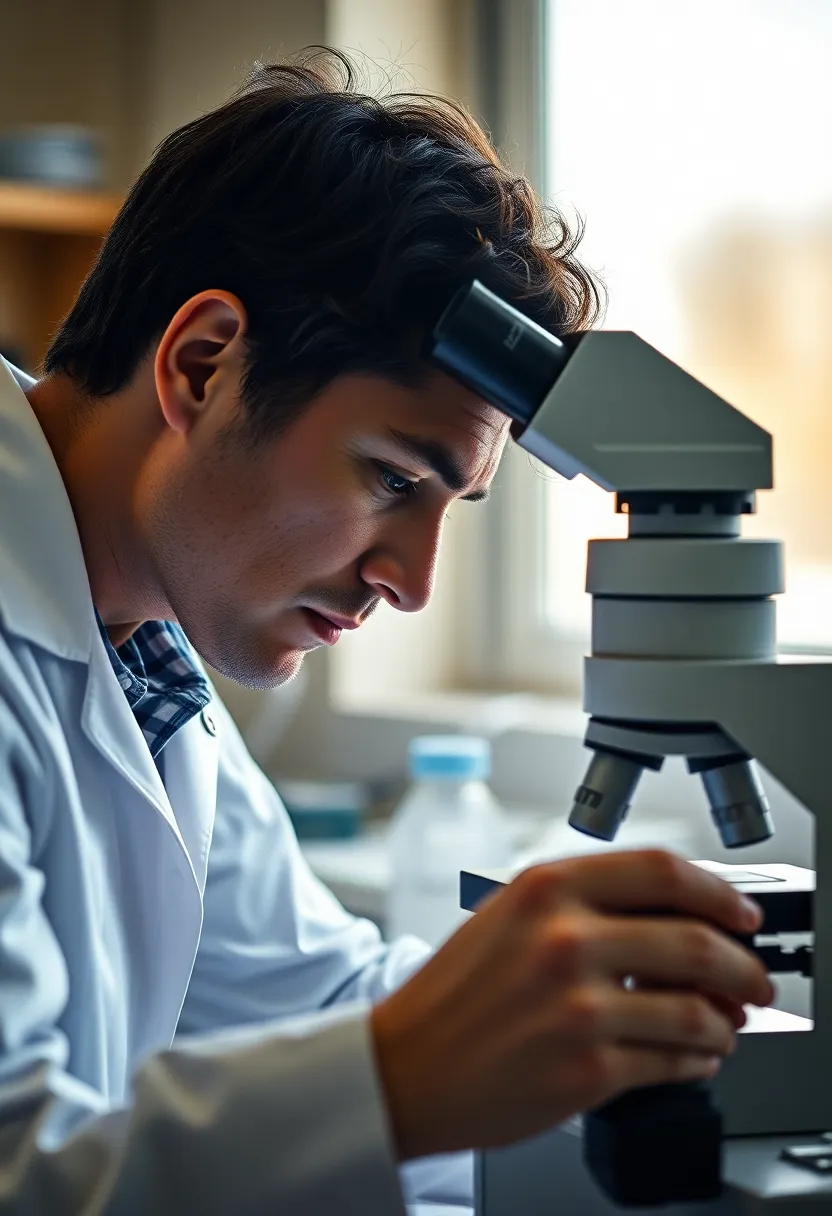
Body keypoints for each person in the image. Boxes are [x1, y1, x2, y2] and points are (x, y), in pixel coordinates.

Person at [0, 49, 773, 1215]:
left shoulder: (143, 653)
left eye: (448, 507)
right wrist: (406, 1078)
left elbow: (323, 994)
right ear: (204, 364)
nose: (407, 585)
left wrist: (590, 1035)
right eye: (389, 477)